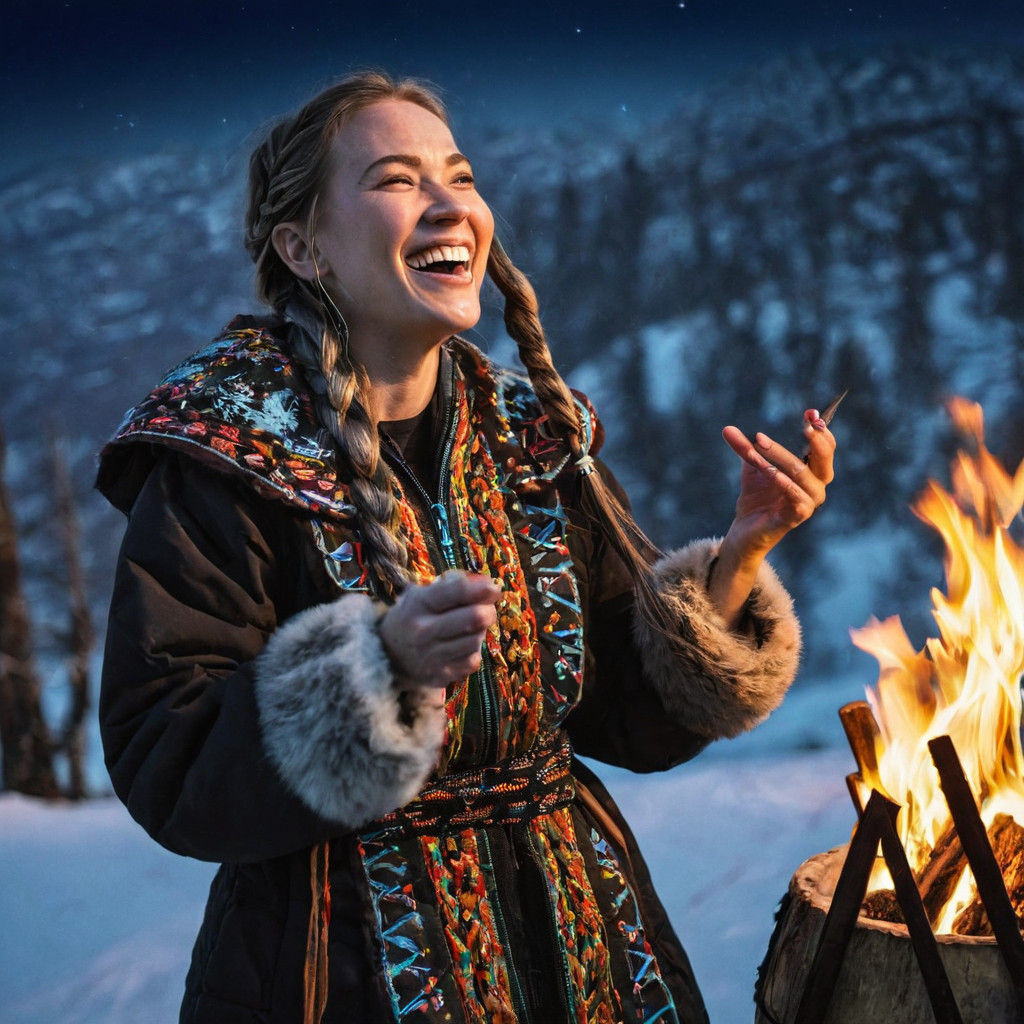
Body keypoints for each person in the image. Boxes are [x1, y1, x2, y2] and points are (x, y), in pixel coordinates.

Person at [97, 71, 835, 1024]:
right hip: (340, 967)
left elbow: (630, 719)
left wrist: (738, 557)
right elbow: (171, 762)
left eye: (461, 175)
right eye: (397, 180)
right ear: (303, 246)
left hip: (590, 955)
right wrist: (378, 672)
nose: (452, 205)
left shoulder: (531, 438)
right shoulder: (224, 453)